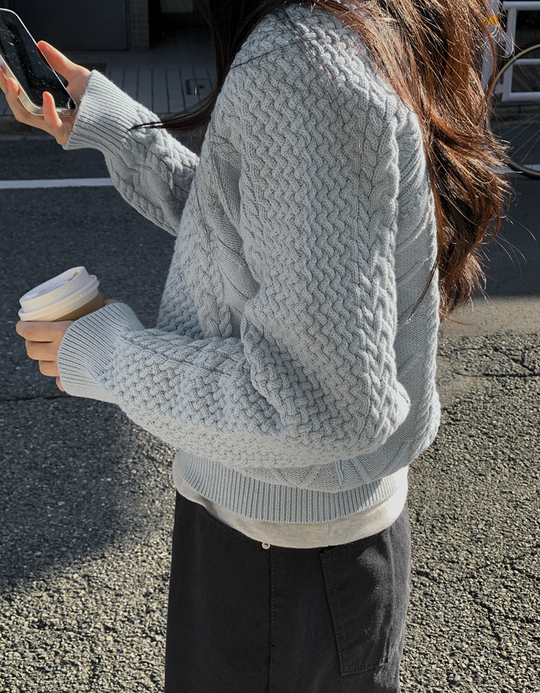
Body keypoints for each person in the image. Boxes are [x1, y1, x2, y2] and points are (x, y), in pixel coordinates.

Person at [3, 1, 508, 691]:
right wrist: (121, 132)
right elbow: (263, 231)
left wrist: (103, 351)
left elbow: (320, 405)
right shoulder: (360, 24)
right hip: (310, 544)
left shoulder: (302, 64)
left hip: (277, 560)